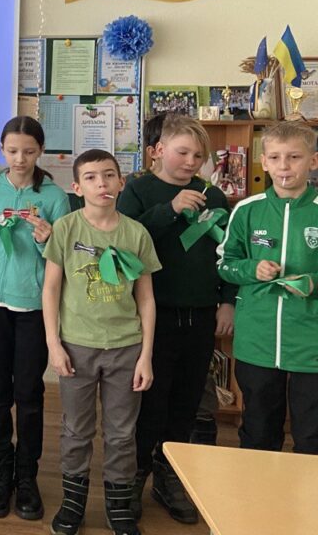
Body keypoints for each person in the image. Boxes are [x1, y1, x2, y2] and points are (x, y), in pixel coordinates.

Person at [117, 115, 233, 524]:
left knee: (186, 403)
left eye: (199, 156)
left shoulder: (213, 196)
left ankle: (169, 477)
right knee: (149, 403)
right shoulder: (138, 190)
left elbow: (228, 253)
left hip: (200, 314)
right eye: (182, 152)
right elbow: (122, 240)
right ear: (159, 150)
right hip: (154, 316)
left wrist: (227, 301)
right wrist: (169, 210)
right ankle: (134, 477)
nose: (190, 162)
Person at [43, 149, 159, 535]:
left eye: (109, 175)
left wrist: (145, 355)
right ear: (77, 187)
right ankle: (73, 502)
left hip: (126, 347)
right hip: (77, 346)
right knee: (76, 429)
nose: (101, 183)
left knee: (122, 432)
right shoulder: (66, 228)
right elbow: (51, 289)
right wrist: (54, 344)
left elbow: (146, 298)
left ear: (121, 182)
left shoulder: (136, 233)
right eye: (91, 177)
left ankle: (119, 504)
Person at [0, 116, 70, 521]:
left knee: (28, 394)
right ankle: (0, 470)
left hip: (33, 308)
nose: (20, 158)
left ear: (40, 151)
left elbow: (63, 261)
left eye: (28, 151)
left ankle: (27, 475)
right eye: (12, 151)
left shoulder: (55, 198)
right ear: (1, 149)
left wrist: (46, 240)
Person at [217, 121, 318, 455]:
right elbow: (225, 264)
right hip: (257, 341)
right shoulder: (247, 210)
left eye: (294, 157)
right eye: (275, 157)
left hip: (311, 344)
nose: (284, 166)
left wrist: (313, 282)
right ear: (264, 161)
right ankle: (259, 490)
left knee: (312, 436)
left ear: (313, 161)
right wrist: (252, 269)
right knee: (258, 432)